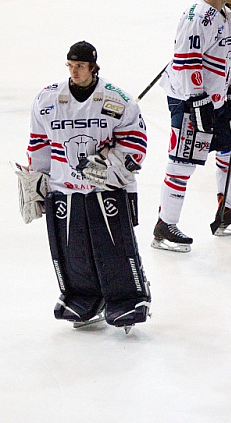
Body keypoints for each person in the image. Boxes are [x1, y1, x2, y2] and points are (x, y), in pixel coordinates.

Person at [20, 41, 150, 332]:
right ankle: (82, 295)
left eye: (79, 66)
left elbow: (135, 145)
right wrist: (37, 181)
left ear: (93, 67)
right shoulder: (47, 99)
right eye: (70, 65)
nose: (74, 71)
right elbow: (39, 143)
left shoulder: (117, 100)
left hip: (104, 189)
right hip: (62, 187)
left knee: (114, 247)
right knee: (70, 249)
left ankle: (128, 296)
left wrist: (106, 168)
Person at [152, 0, 231, 252]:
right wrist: (197, 100)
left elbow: (229, 59)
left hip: (216, 99)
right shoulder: (198, 17)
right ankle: (164, 225)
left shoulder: (226, 14)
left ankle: (227, 212)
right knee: (182, 162)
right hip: (190, 100)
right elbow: (187, 59)